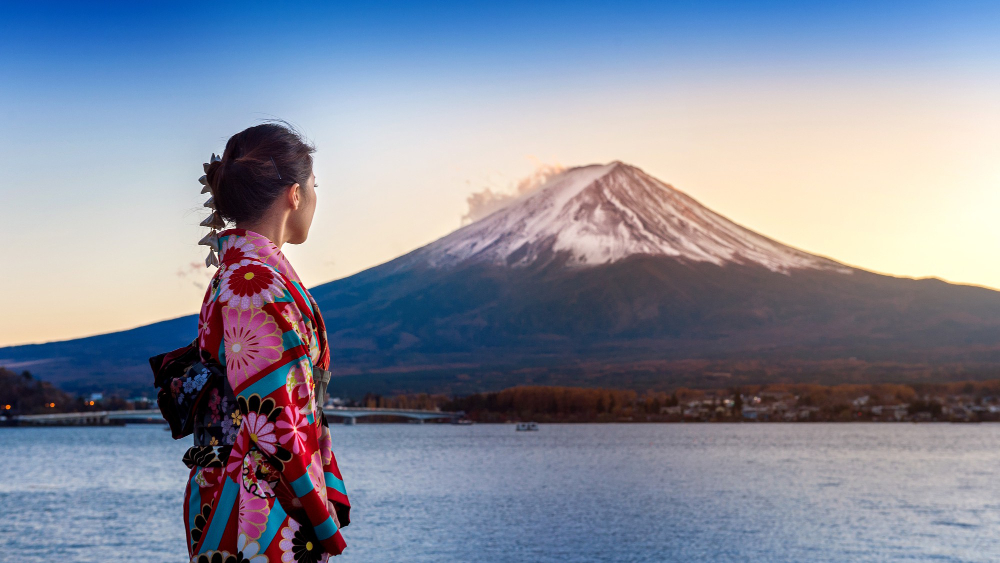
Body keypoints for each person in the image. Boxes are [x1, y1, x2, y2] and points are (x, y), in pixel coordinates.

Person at [184, 122, 350, 563]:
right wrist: (319, 514)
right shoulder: (253, 284)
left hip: (246, 483)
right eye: (314, 186)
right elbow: (276, 416)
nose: (314, 198)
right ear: (294, 195)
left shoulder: (242, 275)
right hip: (259, 499)